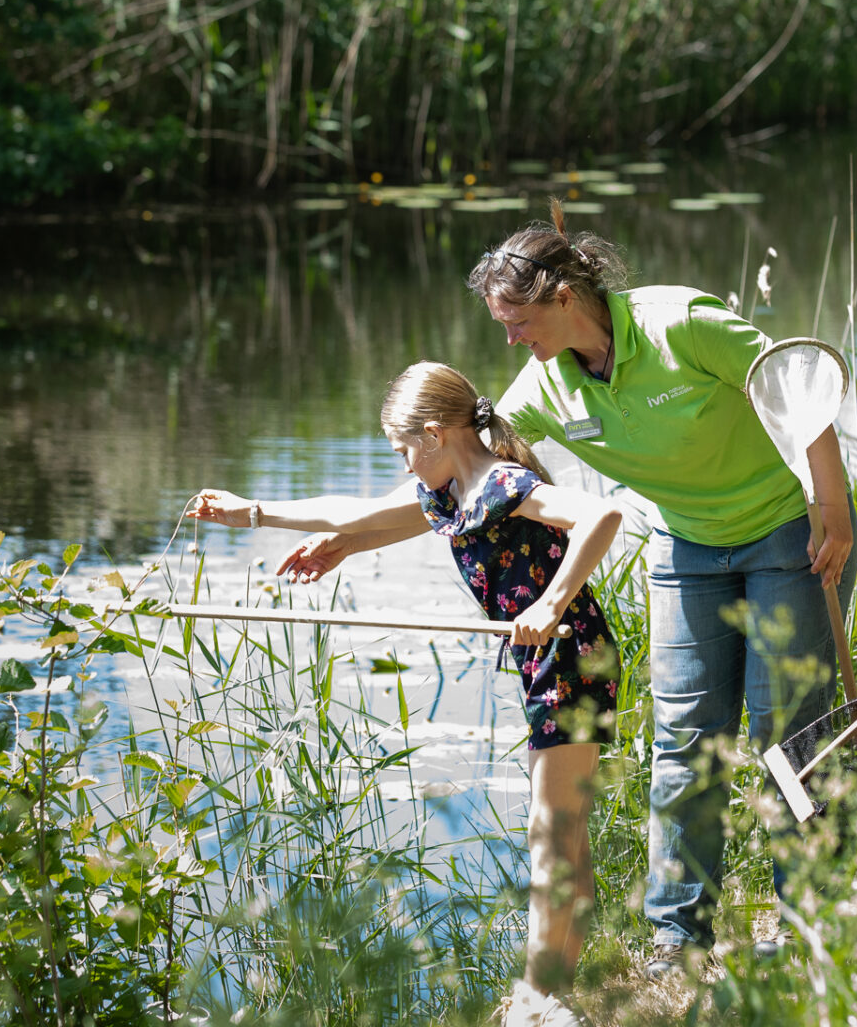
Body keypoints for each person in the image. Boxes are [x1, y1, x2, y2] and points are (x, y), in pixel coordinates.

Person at [469, 201, 857, 975]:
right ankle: (678, 937)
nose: (511, 340)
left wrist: (834, 507)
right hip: (685, 548)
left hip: (787, 531)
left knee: (786, 733)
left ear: (562, 298)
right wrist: (350, 524)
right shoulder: (550, 380)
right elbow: (483, 461)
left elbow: (794, 384)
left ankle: (808, 920)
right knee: (684, 743)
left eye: (516, 321)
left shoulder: (680, 322)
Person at [189, 362, 622, 1027]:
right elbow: (357, 513)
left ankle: (539, 1001)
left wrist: (553, 598)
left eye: (401, 451)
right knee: (564, 836)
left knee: (550, 834)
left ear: (435, 433)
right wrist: (256, 514)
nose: (400, 464)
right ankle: (561, 991)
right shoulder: (452, 492)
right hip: (548, 658)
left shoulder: (502, 482)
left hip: (570, 654)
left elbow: (602, 514)